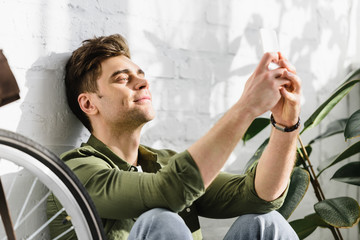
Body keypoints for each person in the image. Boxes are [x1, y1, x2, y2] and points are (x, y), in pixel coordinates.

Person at [47, 34, 301, 240]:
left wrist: (286, 124)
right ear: (89, 104)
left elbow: (259, 196)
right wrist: (246, 108)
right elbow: (168, 191)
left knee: (264, 222)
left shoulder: (163, 164)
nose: (142, 83)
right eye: (122, 78)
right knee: (160, 219)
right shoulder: (75, 171)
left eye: (140, 75)